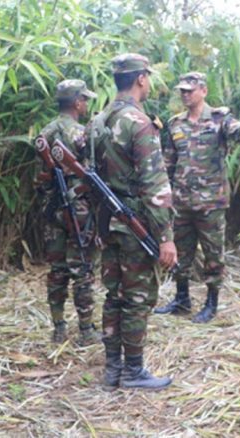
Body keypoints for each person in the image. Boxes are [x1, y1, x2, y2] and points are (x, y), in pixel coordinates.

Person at [89, 53, 178, 389]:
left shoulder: (98, 121)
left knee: (114, 296)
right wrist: (166, 236)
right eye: (149, 77)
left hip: (107, 223)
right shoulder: (138, 123)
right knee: (138, 298)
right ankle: (133, 371)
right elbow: (155, 185)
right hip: (134, 225)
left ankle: (113, 368)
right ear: (141, 78)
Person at [155, 72, 240, 323]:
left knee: (213, 255)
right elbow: (168, 162)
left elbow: (239, 130)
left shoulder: (219, 119)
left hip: (211, 203)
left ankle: (211, 303)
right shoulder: (175, 124)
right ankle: (182, 299)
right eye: (182, 91)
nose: (185, 94)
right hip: (182, 202)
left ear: (203, 91)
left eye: (190, 90)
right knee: (181, 254)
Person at [36, 79, 101, 346]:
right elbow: (93, 175)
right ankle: (86, 330)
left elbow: (38, 178)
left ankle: (59, 326)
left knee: (57, 269)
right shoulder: (81, 134)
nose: (85, 104)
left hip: (53, 210)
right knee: (83, 268)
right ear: (76, 102)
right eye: (84, 99)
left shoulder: (44, 132)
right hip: (79, 211)